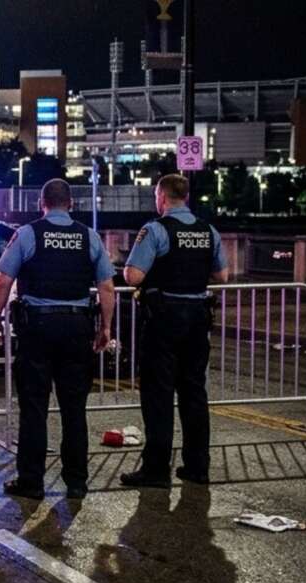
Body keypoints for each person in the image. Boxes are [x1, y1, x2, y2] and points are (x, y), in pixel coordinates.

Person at [0, 179, 116, 500]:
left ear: (42, 204)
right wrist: (106, 328)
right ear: (71, 204)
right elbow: (108, 288)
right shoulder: (89, 237)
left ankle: (31, 481)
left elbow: (4, 280)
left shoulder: (28, 234)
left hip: (37, 330)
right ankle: (76, 482)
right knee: (74, 409)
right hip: (77, 328)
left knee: (34, 408)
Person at [120, 174, 228, 488]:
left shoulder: (155, 230)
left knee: (158, 394)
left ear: (163, 197)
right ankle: (197, 466)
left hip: (164, 317)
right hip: (197, 317)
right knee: (194, 392)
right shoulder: (208, 231)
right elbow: (223, 273)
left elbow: (134, 276)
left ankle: (156, 469)